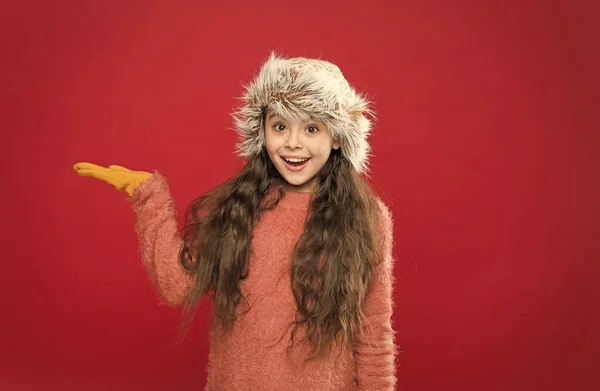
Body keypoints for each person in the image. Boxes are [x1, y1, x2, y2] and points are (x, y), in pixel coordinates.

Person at [74, 52, 397, 390]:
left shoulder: (367, 219)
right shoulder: (239, 207)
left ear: (337, 138)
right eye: (280, 126)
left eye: (312, 128)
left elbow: (373, 335)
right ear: (263, 131)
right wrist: (148, 196)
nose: (293, 143)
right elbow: (177, 286)